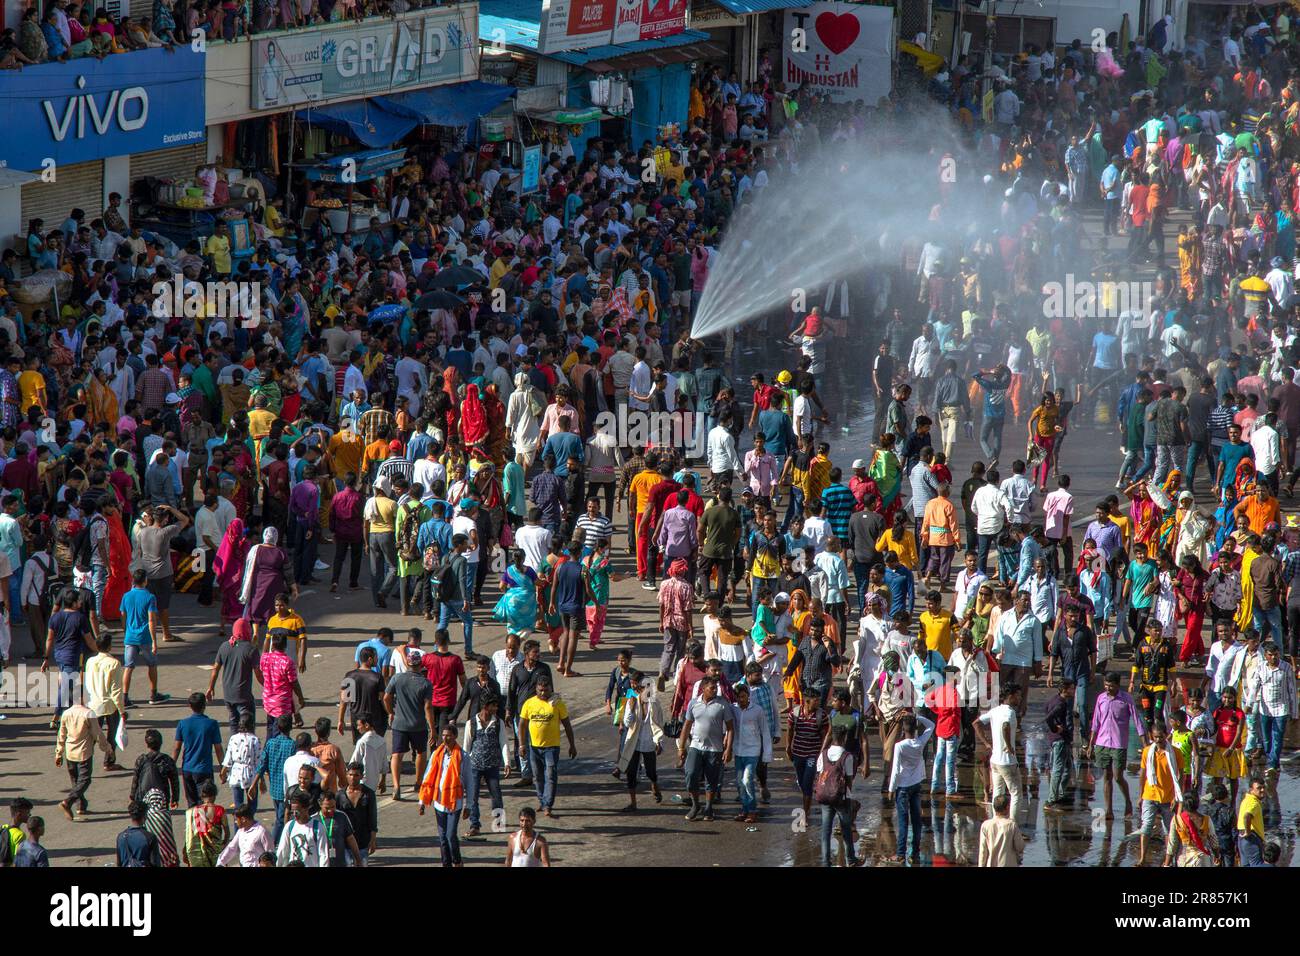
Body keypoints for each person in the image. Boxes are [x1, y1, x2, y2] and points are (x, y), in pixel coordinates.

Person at [1087, 672, 1147, 819]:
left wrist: (1145, 743)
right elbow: (1095, 723)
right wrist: (1090, 745)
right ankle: (1108, 810)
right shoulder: (1101, 699)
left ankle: (1128, 801)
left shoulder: (1126, 699)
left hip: (1119, 743)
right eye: (1106, 685)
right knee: (1106, 777)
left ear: (1118, 685)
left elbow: (1137, 721)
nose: (1108, 688)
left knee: (1118, 776)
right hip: (1102, 743)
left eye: (1111, 685)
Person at [678, 675, 734, 822]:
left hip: (715, 749)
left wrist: (728, 749)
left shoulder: (723, 704)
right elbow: (687, 725)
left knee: (712, 780)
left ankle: (709, 807)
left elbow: (730, 728)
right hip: (695, 746)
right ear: (703, 689)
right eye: (712, 688)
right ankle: (695, 805)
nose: (715, 690)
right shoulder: (693, 703)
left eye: (716, 687)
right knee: (690, 774)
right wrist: (681, 747)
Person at [518, 677, 577, 817]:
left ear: (551, 689)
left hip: (552, 748)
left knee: (550, 775)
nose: (543, 693)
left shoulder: (557, 704)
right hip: (534, 748)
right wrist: (521, 745)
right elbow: (522, 724)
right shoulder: (529, 703)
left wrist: (572, 745)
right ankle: (542, 801)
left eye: (546, 690)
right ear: (536, 689)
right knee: (538, 776)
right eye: (540, 690)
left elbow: (567, 725)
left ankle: (548, 805)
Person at [54, 690, 113, 821]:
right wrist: (107, 748)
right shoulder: (88, 713)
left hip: (70, 752)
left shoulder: (66, 713)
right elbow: (98, 734)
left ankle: (81, 805)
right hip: (84, 752)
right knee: (85, 780)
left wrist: (58, 753)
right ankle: (68, 802)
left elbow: (61, 734)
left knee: (76, 781)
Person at [886, 712, 934, 862]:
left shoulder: (899, 746)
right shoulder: (920, 742)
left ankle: (900, 853)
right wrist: (916, 716)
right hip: (916, 784)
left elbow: (895, 769)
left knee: (903, 821)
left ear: (903, 729)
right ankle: (915, 853)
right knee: (916, 820)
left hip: (902, 787)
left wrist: (891, 789)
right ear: (915, 729)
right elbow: (931, 725)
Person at [417, 723, 466, 867]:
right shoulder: (436, 754)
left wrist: (468, 805)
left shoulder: (463, 756)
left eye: (448, 735)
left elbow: (469, 781)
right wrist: (422, 801)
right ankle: (446, 863)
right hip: (438, 802)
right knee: (442, 838)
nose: (445, 738)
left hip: (454, 803)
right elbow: (427, 777)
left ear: (455, 736)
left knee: (451, 835)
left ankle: (457, 861)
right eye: (443, 735)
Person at [173, 692, 224, 808]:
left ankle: (192, 825)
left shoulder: (183, 723)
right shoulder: (212, 724)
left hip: (187, 769)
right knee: (206, 804)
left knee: (191, 804)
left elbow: (177, 748)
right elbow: (218, 749)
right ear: (204, 706)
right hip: (204, 769)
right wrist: (223, 768)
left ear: (190, 706)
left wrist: (172, 765)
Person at [182, 782, 230, 867]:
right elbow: (227, 833)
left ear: (202, 795)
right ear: (214, 795)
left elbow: (192, 834)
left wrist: (186, 849)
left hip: (199, 854)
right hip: (216, 851)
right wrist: (223, 846)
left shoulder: (194, 812)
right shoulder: (220, 810)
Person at [977, 792, 1025, 867]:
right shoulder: (1011, 825)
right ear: (1007, 807)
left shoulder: (986, 825)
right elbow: (1020, 847)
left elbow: (983, 852)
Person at [117, 801, 163, 867]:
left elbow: (119, 863)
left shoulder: (121, 837)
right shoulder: (150, 837)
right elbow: (155, 863)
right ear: (145, 815)